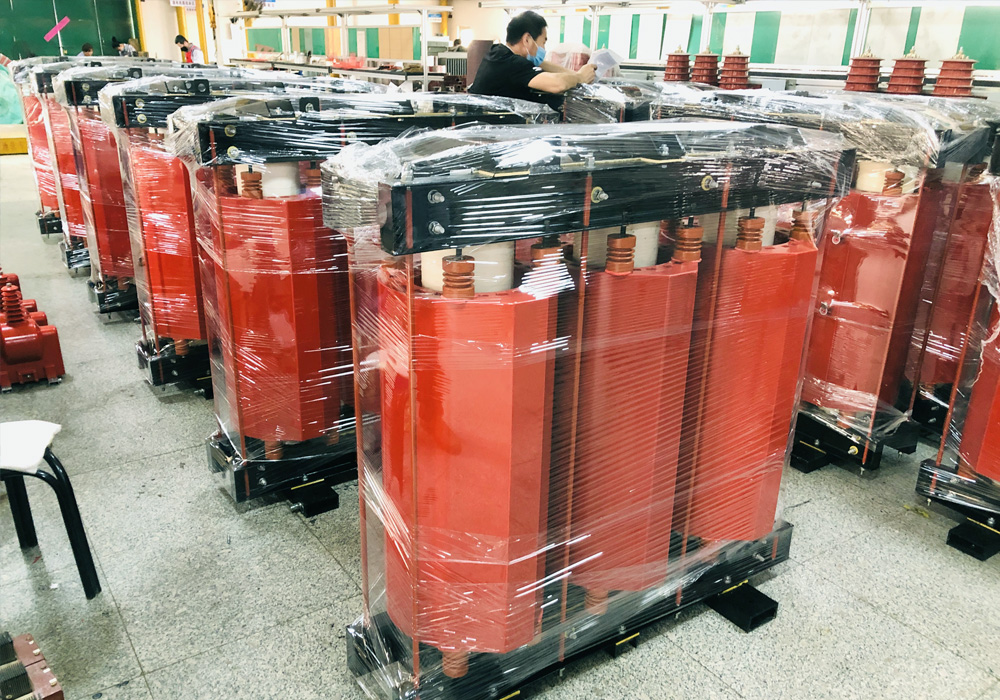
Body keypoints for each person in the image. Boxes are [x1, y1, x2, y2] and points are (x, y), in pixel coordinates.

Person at [468, 11, 595, 110]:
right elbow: (558, 84)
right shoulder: (512, 63)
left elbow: (541, 64)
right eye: (543, 42)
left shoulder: (499, 53)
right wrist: (580, 77)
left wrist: (576, 74)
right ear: (527, 39)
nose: (544, 48)